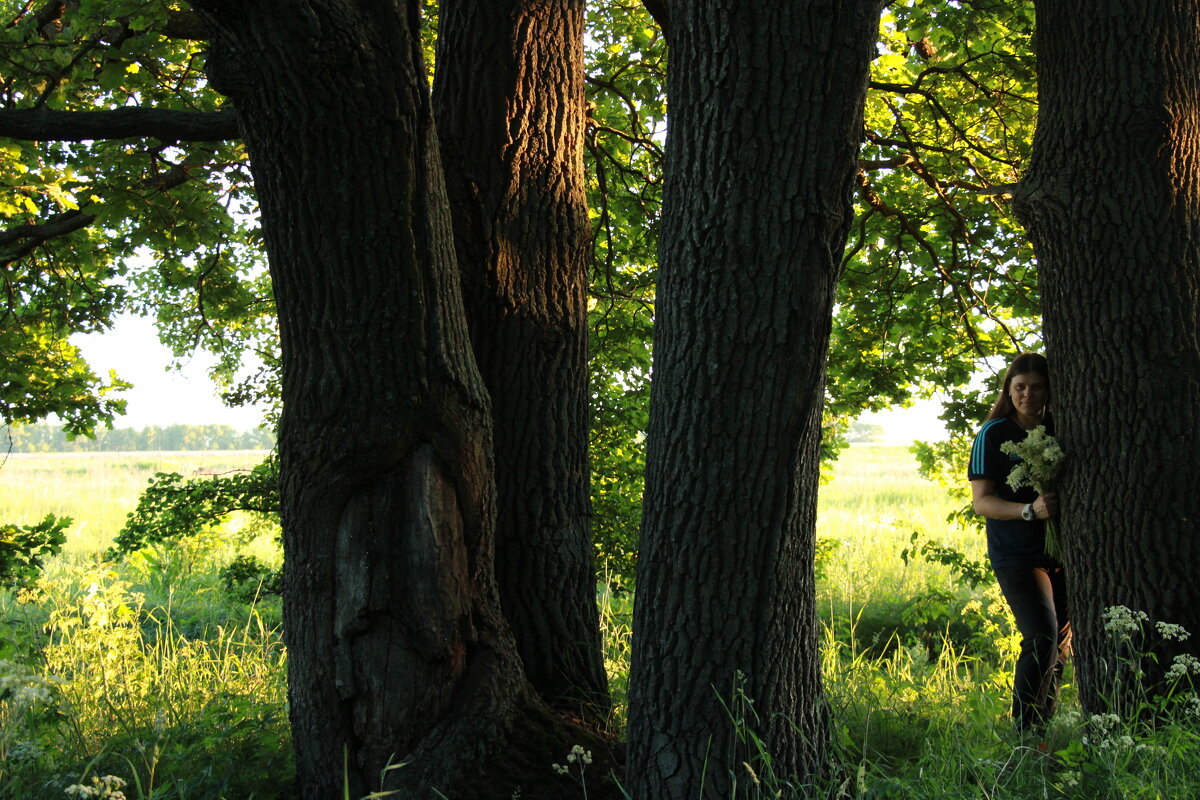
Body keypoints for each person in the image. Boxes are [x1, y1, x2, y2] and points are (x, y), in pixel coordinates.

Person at [968, 352, 1071, 734]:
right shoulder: (993, 434)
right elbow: (982, 503)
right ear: (1009, 391)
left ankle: (1043, 729)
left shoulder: (1063, 426)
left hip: (1063, 553)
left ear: (1049, 390)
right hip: (1017, 555)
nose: (1028, 394)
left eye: (1037, 386)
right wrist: (1030, 509)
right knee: (1041, 636)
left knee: (1059, 646)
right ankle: (1024, 733)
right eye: (1020, 387)